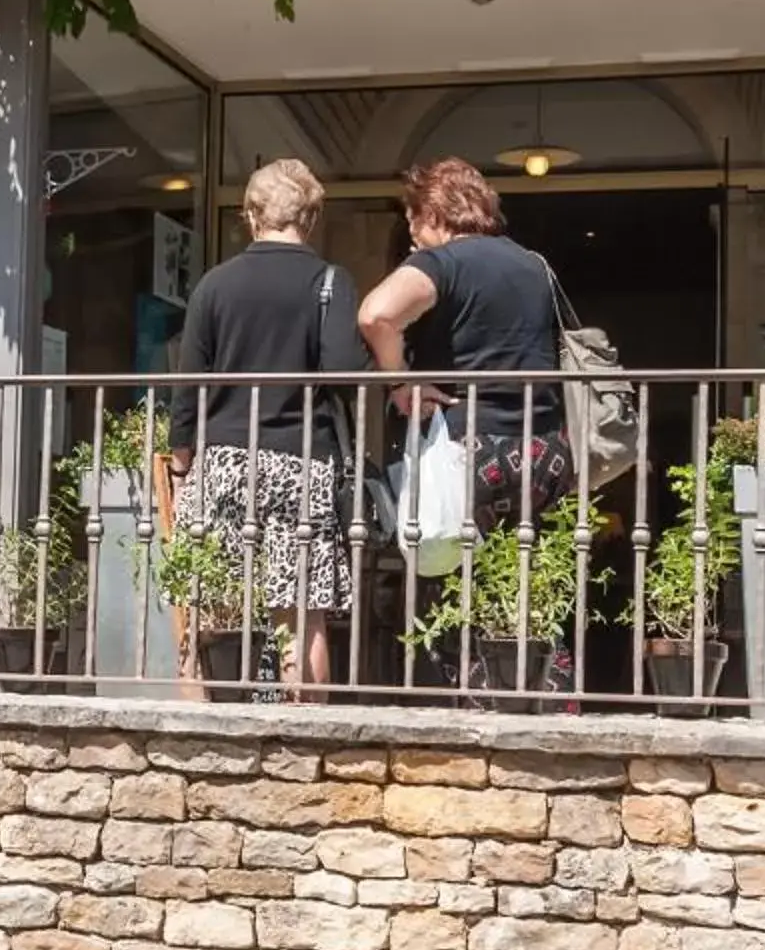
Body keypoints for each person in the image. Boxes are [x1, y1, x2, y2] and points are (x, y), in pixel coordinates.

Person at [166, 158, 368, 698]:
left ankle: (200, 737)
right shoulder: (330, 283)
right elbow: (346, 372)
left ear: (251, 216)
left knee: (209, 607)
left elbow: (189, 382)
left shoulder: (215, 285)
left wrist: (181, 463)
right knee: (300, 615)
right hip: (301, 461)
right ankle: (306, 747)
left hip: (225, 461)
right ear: (311, 217)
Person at [357, 156, 573, 529]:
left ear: (435, 215)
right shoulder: (534, 264)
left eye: (414, 221)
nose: (413, 234)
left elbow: (375, 315)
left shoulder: (442, 262)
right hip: (544, 451)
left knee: (448, 570)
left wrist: (399, 382)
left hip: (469, 451)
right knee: (530, 577)